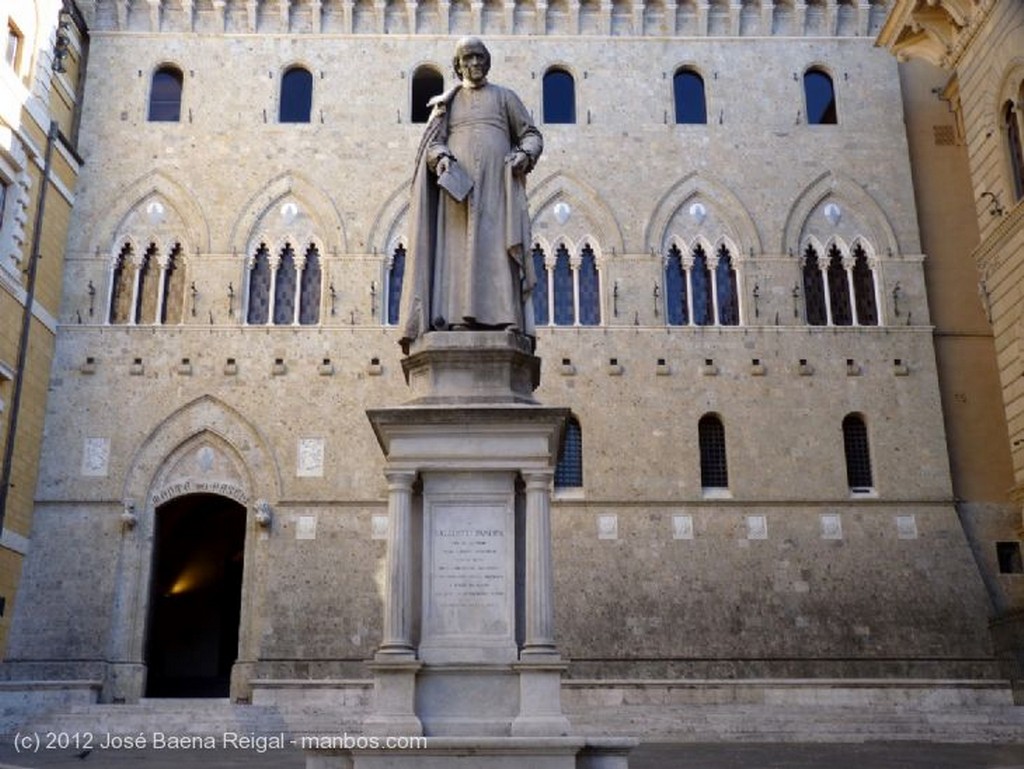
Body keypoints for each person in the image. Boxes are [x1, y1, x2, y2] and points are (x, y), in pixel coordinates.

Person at [399, 37, 543, 353]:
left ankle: (506, 318)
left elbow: (531, 134)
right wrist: (442, 159)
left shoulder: (505, 98)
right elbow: (432, 143)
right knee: (457, 253)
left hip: (497, 190)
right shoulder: (446, 104)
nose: (474, 64)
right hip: (457, 195)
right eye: (468, 59)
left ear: (487, 62)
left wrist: (524, 155)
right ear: (459, 65)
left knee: (498, 250)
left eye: (479, 58)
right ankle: (455, 318)